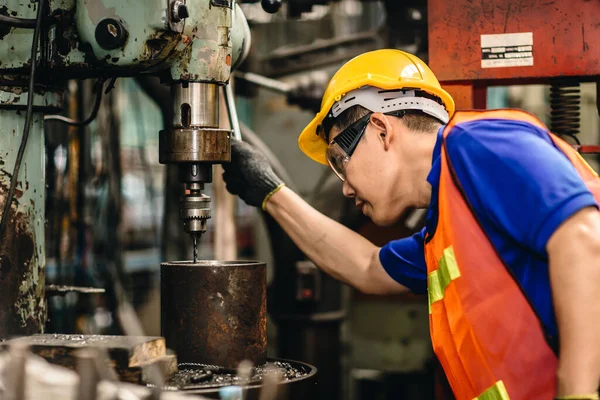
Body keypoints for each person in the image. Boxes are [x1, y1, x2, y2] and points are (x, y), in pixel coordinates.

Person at [222, 49, 600, 400]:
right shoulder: (450, 221)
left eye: (340, 160)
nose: (345, 187)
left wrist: (576, 392)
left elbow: (583, 240)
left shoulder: (477, 143)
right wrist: (270, 192)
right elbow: (367, 267)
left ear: (381, 129)